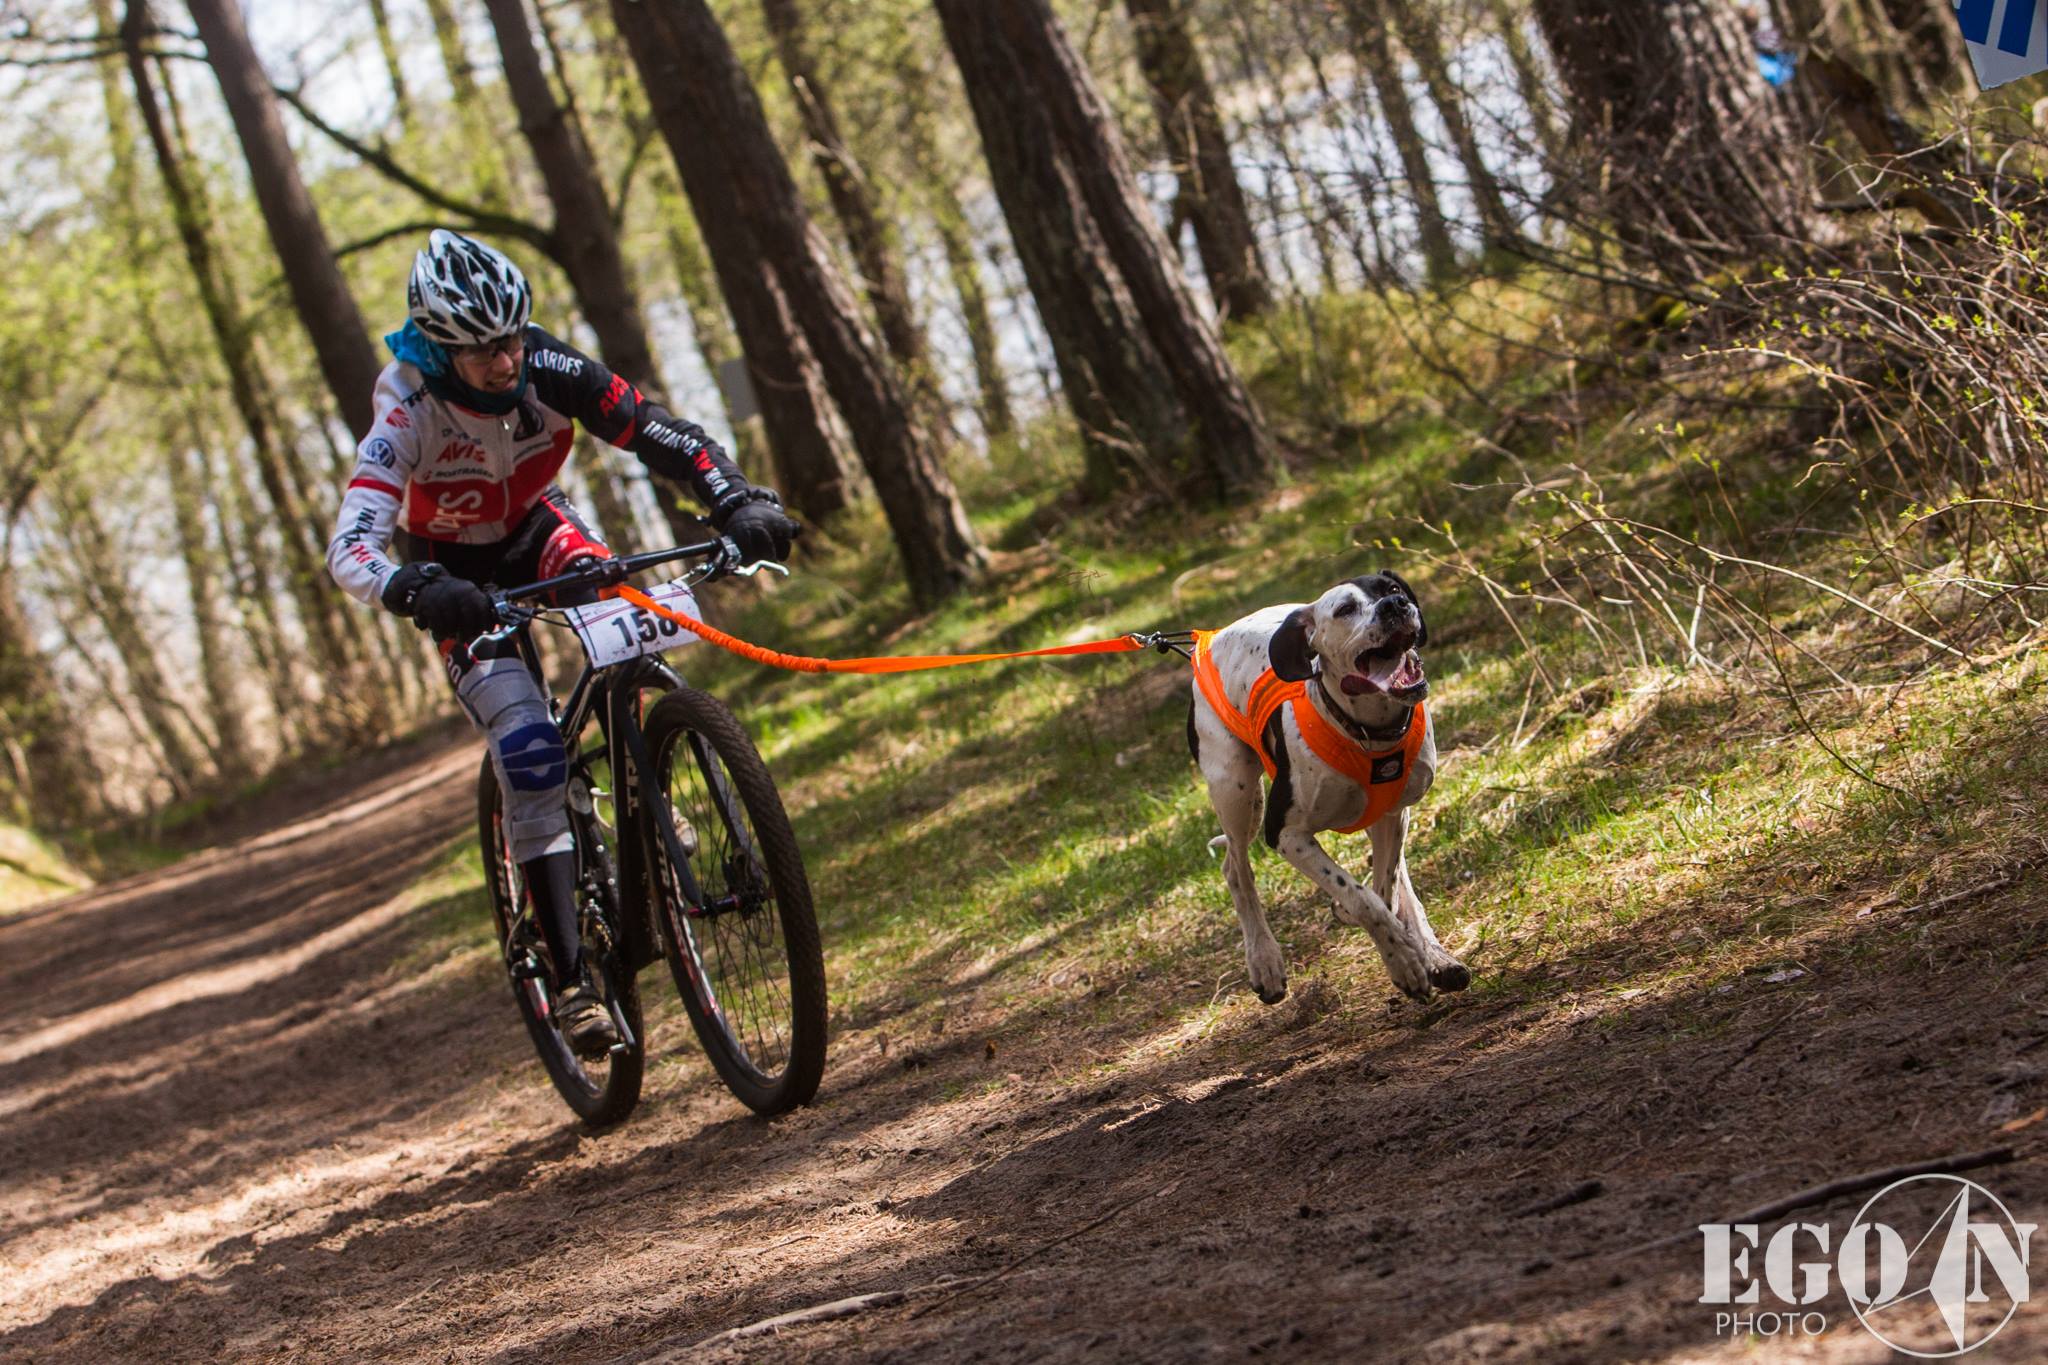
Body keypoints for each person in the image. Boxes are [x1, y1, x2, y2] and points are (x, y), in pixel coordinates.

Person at [327, 229, 799, 1057]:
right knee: (533, 752)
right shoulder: (404, 404)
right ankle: (573, 975)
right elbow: (352, 545)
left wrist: (734, 498)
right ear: (437, 345)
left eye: (512, 337)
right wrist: (415, 588)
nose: (504, 361)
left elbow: (656, 429)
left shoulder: (546, 365)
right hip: (453, 573)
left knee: (620, 618)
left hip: (540, 530)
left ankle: (651, 799)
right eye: (480, 350)